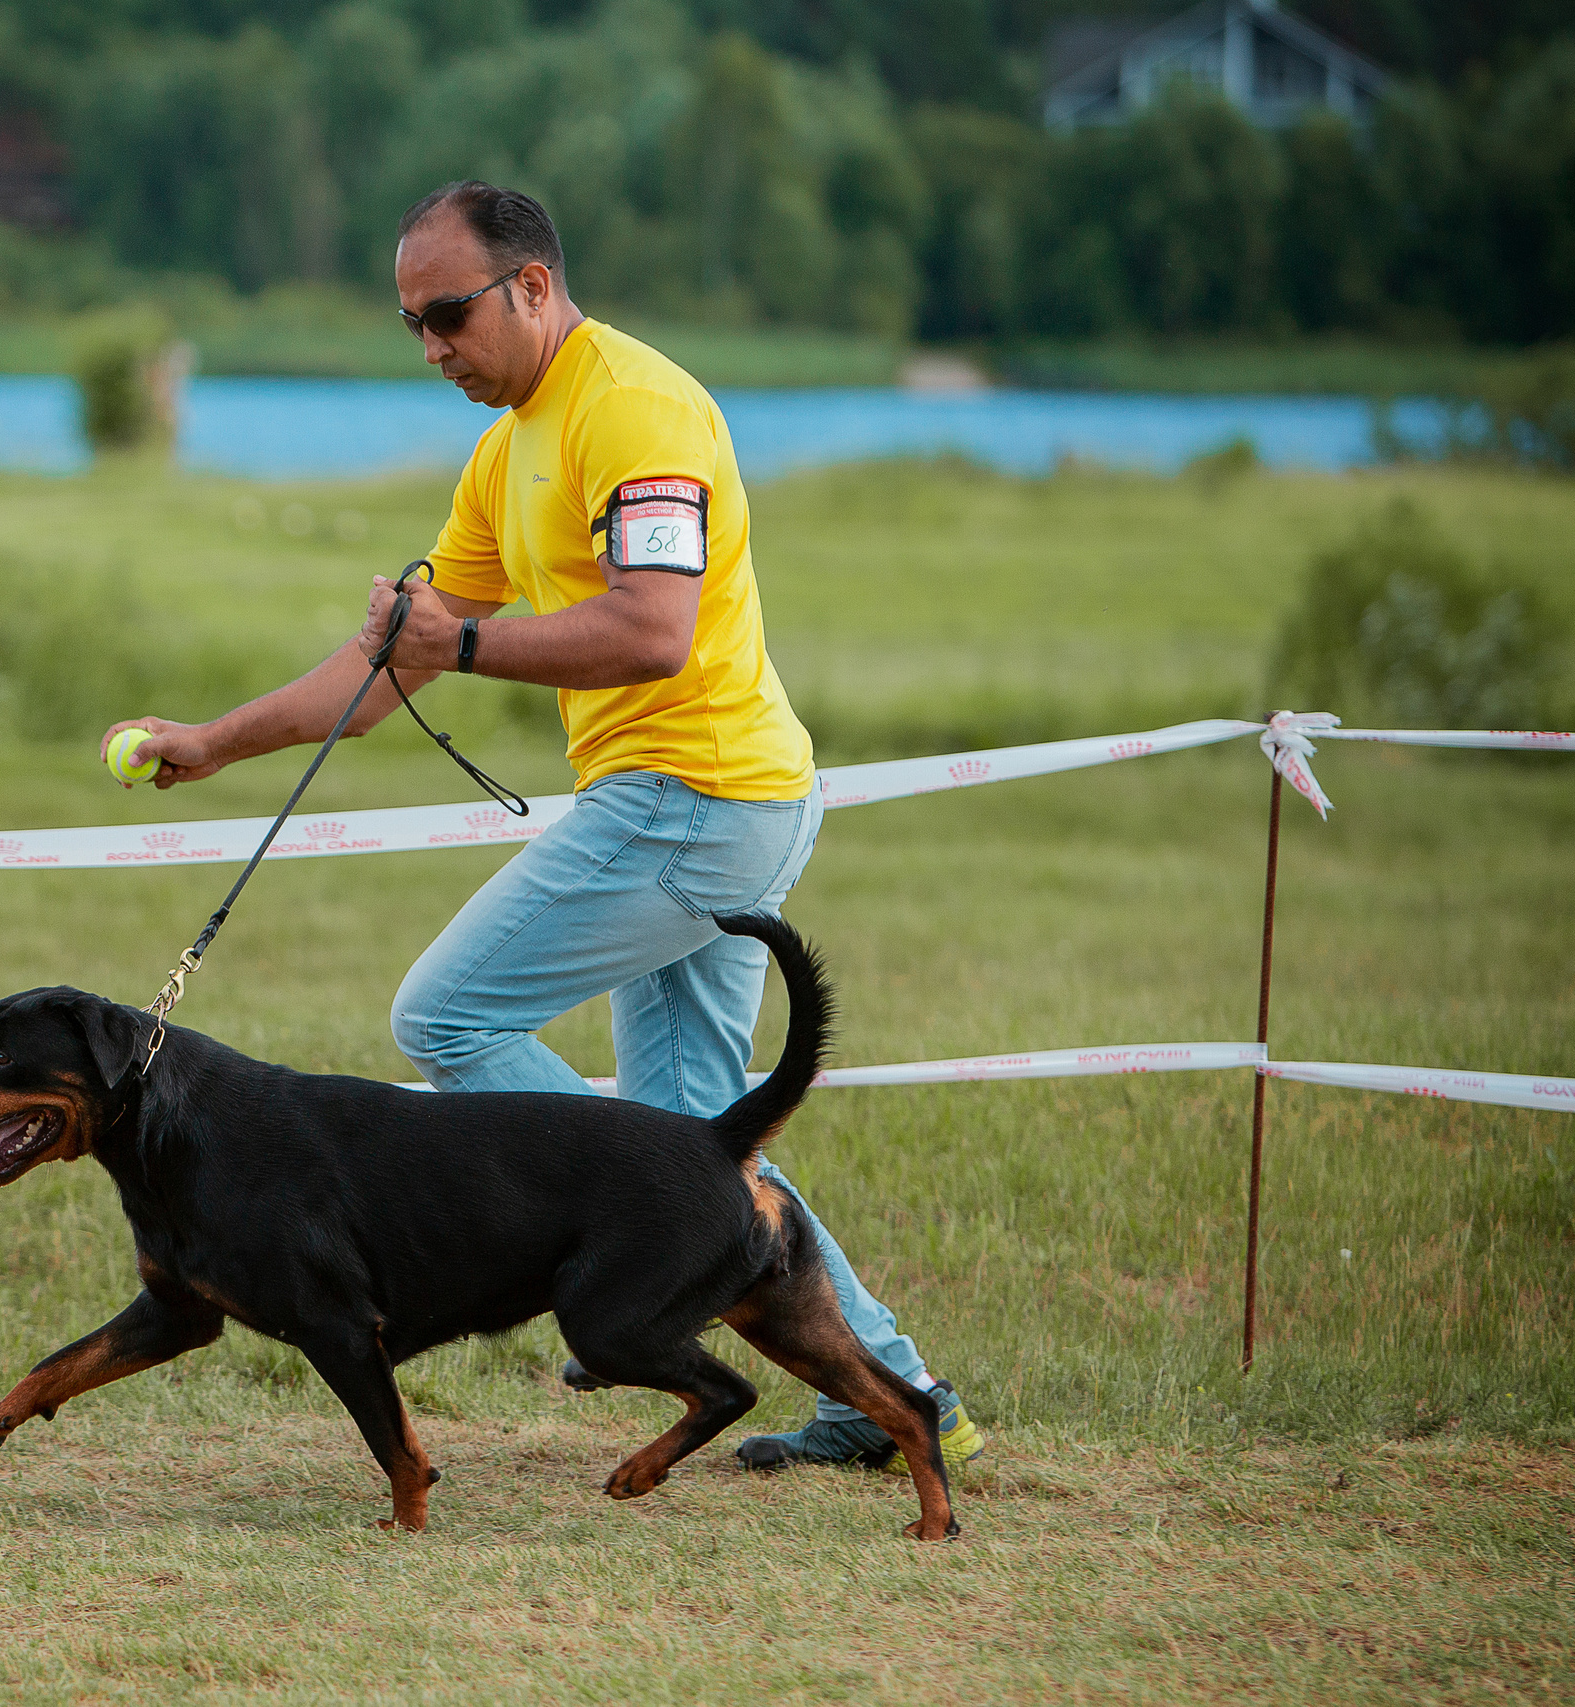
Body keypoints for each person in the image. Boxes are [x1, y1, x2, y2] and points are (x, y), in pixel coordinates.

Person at [104, 180, 983, 1477]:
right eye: (411, 326)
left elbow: (651, 629)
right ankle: (896, 1394)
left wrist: (458, 640)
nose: (431, 351)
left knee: (445, 1015)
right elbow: (392, 670)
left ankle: (602, 1235)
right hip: (691, 801)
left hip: (697, 796)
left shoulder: (635, 409)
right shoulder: (509, 441)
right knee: (705, 1151)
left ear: (530, 285)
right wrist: (213, 740)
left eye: (447, 316)